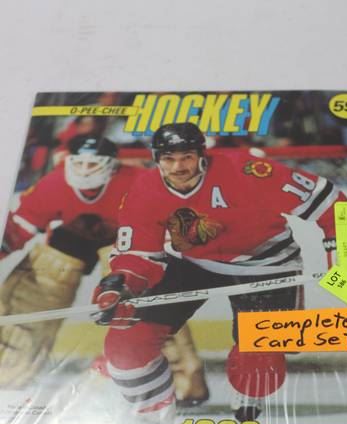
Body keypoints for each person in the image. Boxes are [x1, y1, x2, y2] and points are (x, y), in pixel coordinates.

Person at [93, 122, 347, 424]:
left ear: (202, 155)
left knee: (260, 363)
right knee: (126, 342)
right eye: (169, 159)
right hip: (192, 263)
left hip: (267, 265)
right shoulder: (145, 188)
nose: (179, 167)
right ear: (156, 159)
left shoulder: (248, 170)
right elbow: (138, 255)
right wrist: (120, 286)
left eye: (187, 157)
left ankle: (246, 415)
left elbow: (330, 200)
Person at [0, 134, 208, 404]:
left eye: (93, 164)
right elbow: (15, 232)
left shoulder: (139, 181)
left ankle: (182, 380)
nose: (85, 171)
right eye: (79, 163)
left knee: (146, 304)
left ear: (111, 165)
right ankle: (7, 375)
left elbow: (167, 227)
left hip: (129, 247)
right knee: (32, 298)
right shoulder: (54, 183)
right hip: (70, 242)